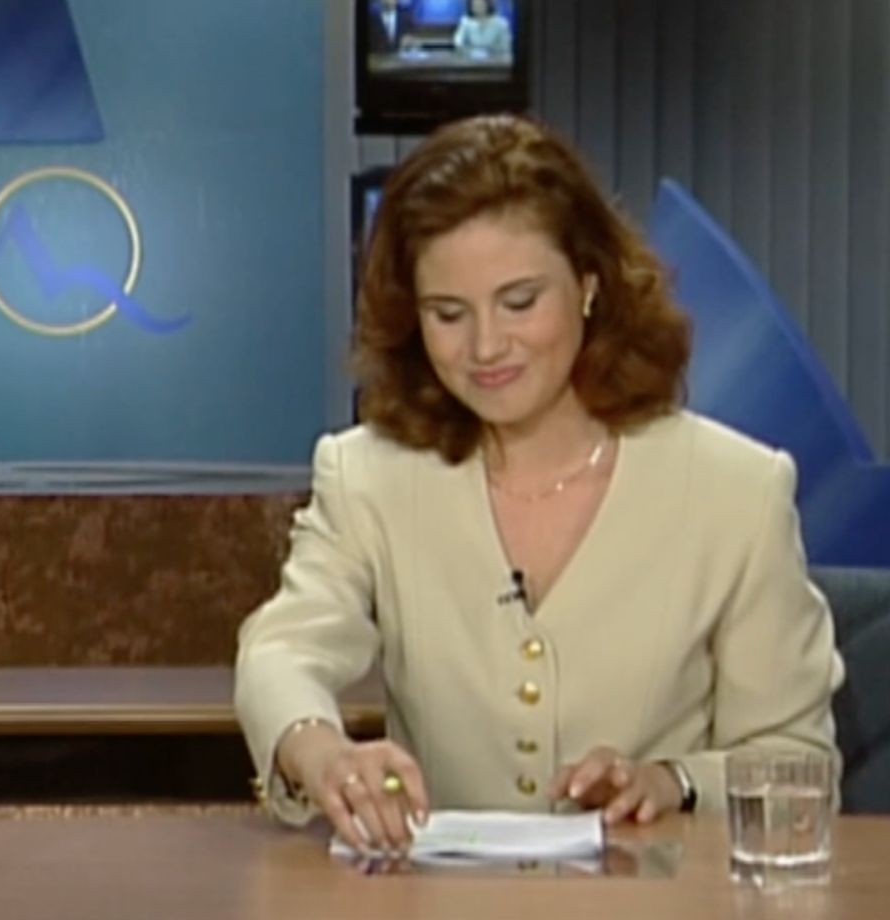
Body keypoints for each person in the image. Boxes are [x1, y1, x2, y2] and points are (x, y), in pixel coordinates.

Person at [234, 114, 842, 855]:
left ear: (589, 286)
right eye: (448, 314)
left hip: (664, 901)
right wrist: (321, 750)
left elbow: (796, 760)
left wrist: (674, 782)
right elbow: (281, 652)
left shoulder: (736, 491)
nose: (486, 346)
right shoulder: (369, 476)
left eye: (520, 302)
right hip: (441, 903)